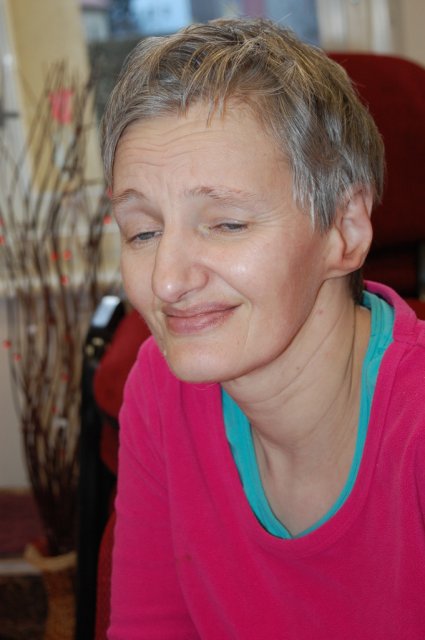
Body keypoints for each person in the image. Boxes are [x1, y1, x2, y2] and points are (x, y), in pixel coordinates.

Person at [100, 17, 425, 639]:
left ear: (345, 230)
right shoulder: (162, 392)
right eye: (143, 232)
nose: (167, 281)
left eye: (226, 223)